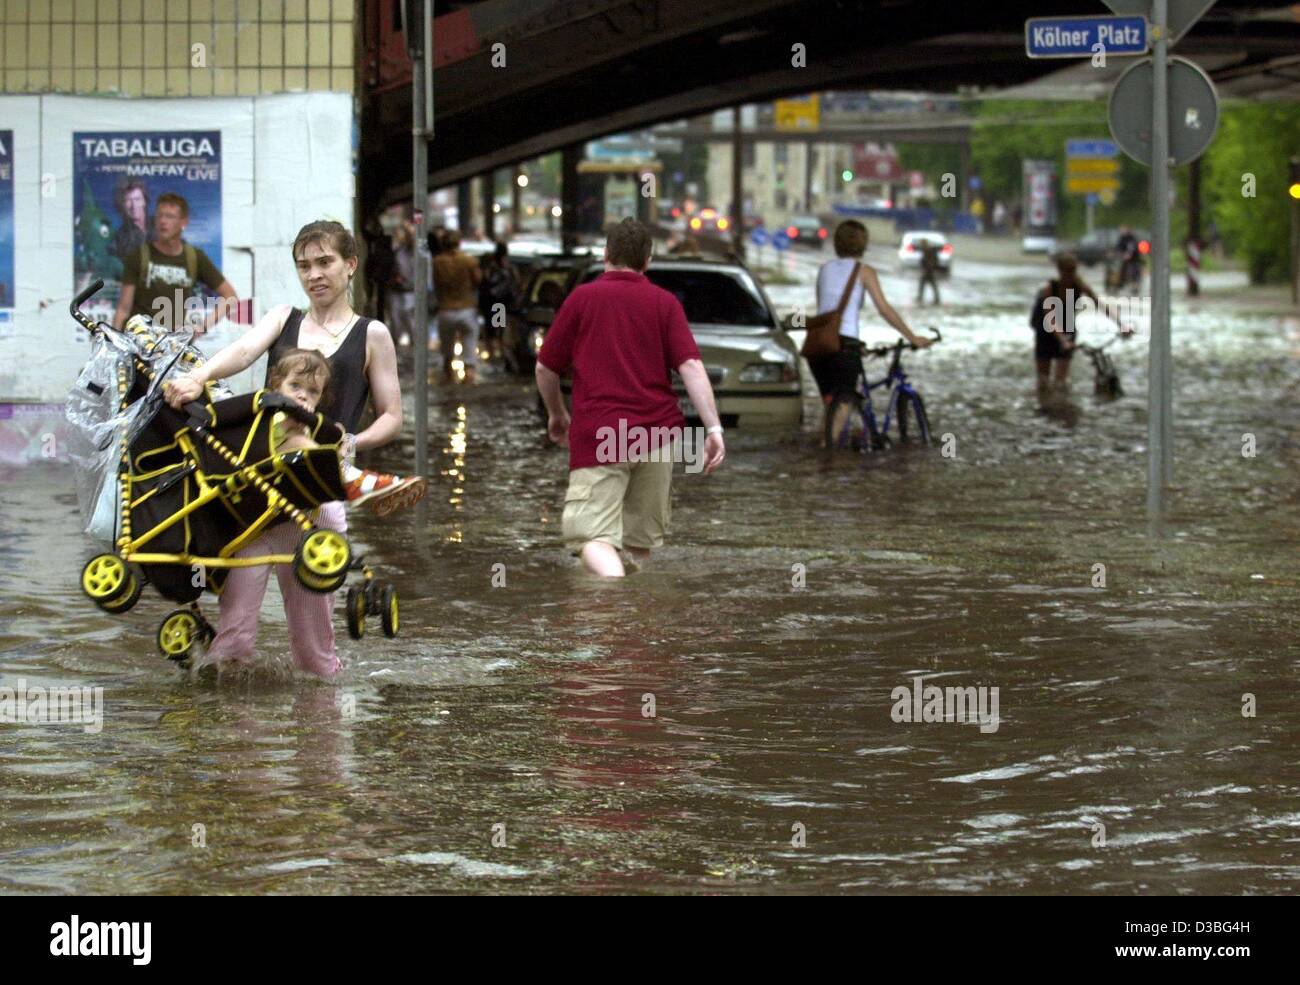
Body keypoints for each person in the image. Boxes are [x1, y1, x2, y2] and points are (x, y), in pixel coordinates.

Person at [162, 219, 406, 680]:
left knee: (314, 651)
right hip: (256, 493)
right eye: (304, 265)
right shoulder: (282, 319)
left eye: (325, 262)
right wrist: (198, 378)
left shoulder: (372, 334)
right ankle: (228, 740)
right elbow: (241, 352)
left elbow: (392, 415)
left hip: (316, 497)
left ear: (350, 265)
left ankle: (321, 739)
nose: (314, 274)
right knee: (232, 639)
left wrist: (352, 441)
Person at [535, 218, 725, 578]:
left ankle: (614, 597)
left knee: (592, 537)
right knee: (640, 544)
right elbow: (691, 365)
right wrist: (713, 428)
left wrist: (557, 414)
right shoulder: (664, 303)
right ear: (647, 261)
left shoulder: (583, 298)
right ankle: (631, 623)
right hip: (656, 435)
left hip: (601, 434)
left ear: (606, 254)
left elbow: (546, 368)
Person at [810, 221, 931, 444]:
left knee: (831, 405)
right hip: (844, 347)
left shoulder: (824, 269)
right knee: (844, 403)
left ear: (837, 243)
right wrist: (912, 337)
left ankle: (821, 449)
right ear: (863, 244)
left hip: (818, 347)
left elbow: (825, 310)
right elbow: (884, 310)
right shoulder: (865, 272)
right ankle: (826, 463)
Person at [266, 347, 426, 515]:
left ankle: (367, 489)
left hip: (304, 487)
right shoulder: (274, 415)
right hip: (276, 473)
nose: (303, 395)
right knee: (301, 441)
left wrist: (341, 441)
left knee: (338, 438)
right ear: (277, 386)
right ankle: (359, 484)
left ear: (321, 397)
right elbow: (276, 432)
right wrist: (294, 419)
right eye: (295, 386)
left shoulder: (309, 426)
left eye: (313, 391)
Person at [113, 192, 239, 334]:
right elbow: (123, 309)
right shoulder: (139, 256)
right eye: (160, 215)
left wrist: (201, 328)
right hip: (138, 340)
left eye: (170, 216)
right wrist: (113, 343)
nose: (163, 221)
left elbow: (230, 296)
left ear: (183, 222)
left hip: (171, 346)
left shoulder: (194, 257)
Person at [1030, 253, 1130, 393]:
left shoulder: (1079, 286)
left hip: (1067, 327)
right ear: (1060, 271)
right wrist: (1061, 339)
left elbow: (1101, 305)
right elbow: (1049, 318)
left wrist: (1122, 325)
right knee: (1043, 380)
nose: (1069, 275)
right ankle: (1044, 405)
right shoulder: (1049, 288)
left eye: (1072, 271)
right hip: (1045, 330)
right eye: (1067, 271)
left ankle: (1060, 406)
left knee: (1061, 382)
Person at [432, 229, 483, 384]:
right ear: (459, 243)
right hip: (467, 309)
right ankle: (468, 386)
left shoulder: (437, 262)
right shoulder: (469, 261)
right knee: (469, 355)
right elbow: (478, 280)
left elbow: (435, 284)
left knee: (447, 355)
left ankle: (449, 384)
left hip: (445, 310)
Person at [478, 240, 519, 364]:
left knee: (493, 333)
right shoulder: (507, 268)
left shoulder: (493, 268)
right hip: (500, 305)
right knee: (498, 332)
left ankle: (495, 357)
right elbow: (516, 284)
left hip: (493, 304)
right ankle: (499, 357)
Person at [387, 221, 416, 347]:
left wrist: (408, 229)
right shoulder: (396, 250)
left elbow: (413, 239)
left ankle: (414, 348)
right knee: (395, 322)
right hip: (396, 290)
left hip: (409, 290)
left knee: (411, 323)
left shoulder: (409, 250)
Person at [362, 216, 395, 324]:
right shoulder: (374, 241)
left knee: (380, 301)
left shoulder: (383, 242)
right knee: (376, 300)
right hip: (376, 272)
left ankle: (380, 320)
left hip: (380, 274)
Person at [111, 180, 150, 264]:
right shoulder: (119, 238)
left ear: (144, 201)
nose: (133, 205)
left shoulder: (160, 224)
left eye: (137, 199)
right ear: (122, 205)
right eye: (128, 200)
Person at [917, 240, 941, 305]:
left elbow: (932, 260)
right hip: (928, 270)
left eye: (922, 244)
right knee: (928, 284)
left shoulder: (929, 250)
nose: (921, 246)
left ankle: (936, 298)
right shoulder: (925, 250)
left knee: (929, 283)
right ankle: (936, 298)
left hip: (929, 270)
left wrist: (929, 268)